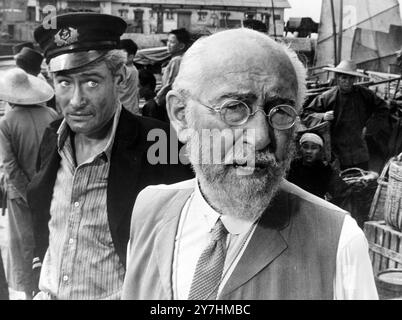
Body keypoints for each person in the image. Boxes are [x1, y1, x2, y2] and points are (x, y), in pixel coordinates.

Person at [122, 28, 378, 300]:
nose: (260, 137)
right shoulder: (150, 209)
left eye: (280, 111)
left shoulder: (338, 240)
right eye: (234, 107)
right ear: (181, 116)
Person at [28, 12, 193, 300]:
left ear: (117, 79)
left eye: (91, 82)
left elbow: (187, 241)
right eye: (65, 83)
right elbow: (47, 221)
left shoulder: (160, 142)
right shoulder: (52, 136)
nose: (76, 101)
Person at [0, 68, 58, 300]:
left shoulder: (6, 122)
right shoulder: (51, 115)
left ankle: (28, 293)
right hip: (51, 190)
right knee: (49, 239)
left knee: (23, 246)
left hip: (21, 196)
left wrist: (28, 194)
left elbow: (10, 166)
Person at [302, 60, 391, 171]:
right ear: (338, 77)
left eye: (351, 78)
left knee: (361, 180)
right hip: (337, 151)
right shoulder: (327, 97)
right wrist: (323, 116)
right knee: (340, 182)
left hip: (359, 150)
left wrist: (369, 127)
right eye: (344, 78)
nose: (347, 82)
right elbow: (306, 115)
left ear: (355, 79)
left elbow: (383, 108)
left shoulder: (365, 94)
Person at [287, 132, 348, 202]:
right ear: (300, 149)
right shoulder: (292, 166)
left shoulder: (325, 170)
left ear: (320, 151)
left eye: (314, 148)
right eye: (305, 147)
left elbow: (342, 192)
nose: (308, 151)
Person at [155, 28, 191, 121]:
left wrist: (157, 98)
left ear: (181, 46)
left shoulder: (176, 60)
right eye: (168, 41)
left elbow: (169, 84)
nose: (168, 44)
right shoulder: (181, 59)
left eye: (172, 42)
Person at [119, 38, 140, 115]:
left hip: (123, 110)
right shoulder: (134, 69)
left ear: (130, 57)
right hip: (132, 109)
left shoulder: (124, 69)